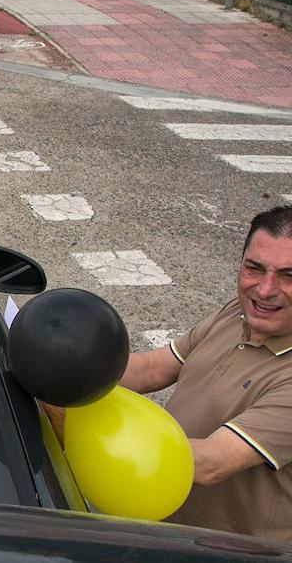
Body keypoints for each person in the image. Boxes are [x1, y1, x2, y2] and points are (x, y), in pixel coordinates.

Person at [44, 206, 292, 541]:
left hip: (219, 549)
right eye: (254, 268)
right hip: (154, 522)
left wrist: (68, 420)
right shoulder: (238, 312)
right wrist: (65, 372)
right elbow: (155, 367)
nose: (264, 290)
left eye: (288, 275)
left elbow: (212, 462)